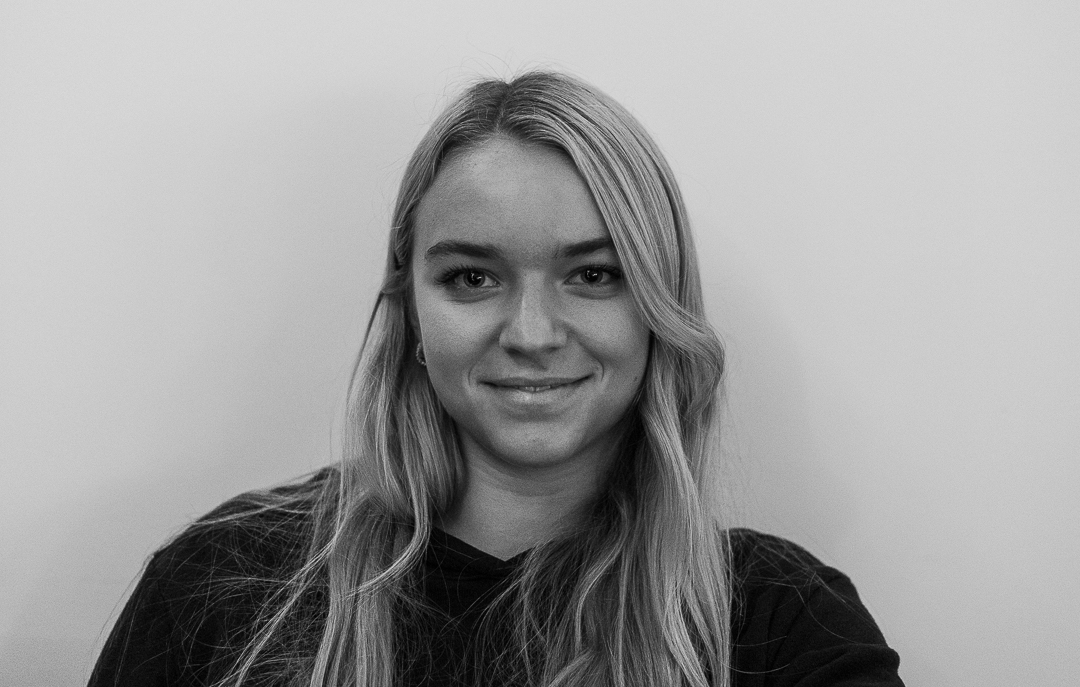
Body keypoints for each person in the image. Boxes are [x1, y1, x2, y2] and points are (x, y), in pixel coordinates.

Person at [88, 71, 905, 687]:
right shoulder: (223, 584)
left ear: (660, 307)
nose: (532, 335)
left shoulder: (780, 625)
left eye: (593, 275)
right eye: (473, 279)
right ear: (411, 313)